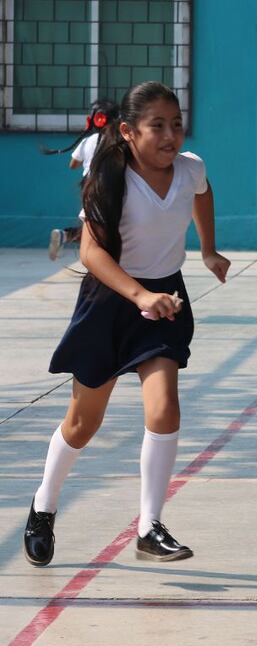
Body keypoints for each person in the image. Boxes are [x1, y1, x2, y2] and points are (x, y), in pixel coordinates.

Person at [22, 81, 231, 567]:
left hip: (165, 301)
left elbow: (202, 192)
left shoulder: (190, 168)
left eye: (176, 124)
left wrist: (208, 248)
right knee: (82, 422)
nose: (170, 135)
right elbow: (91, 252)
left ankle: (149, 527)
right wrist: (138, 295)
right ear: (128, 132)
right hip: (111, 302)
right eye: (157, 125)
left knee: (165, 409)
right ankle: (43, 506)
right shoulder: (110, 176)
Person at [44, 99, 118, 261]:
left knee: (95, 226)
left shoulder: (87, 141)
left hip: (89, 186)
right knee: (101, 229)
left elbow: (73, 165)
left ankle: (66, 236)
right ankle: (69, 237)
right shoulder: (117, 141)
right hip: (108, 186)